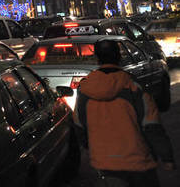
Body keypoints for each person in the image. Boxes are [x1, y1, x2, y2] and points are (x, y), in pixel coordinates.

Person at [74, 39, 175, 186]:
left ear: (97, 58)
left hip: (104, 162)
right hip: (138, 162)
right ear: (119, 57)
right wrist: (167, 157)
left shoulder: (85, 90)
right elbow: (152, 126)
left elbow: (79, 126)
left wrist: (93, 147)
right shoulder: (134, 87)